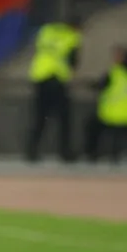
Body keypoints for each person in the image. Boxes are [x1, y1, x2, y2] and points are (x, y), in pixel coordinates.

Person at [25, 19, 82, 162]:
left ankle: (32, 151)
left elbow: (37, 48)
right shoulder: (72, 36)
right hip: (57, 79)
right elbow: (73, 61)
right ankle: (65, 152)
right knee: (64, 118)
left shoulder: (46, 31)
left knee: (40, 117)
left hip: (41, 77)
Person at [85, 45, 127, 163]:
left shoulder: (114, 73)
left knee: (92, 127)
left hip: (110, 115)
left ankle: (91, 154)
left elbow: (99, 86)